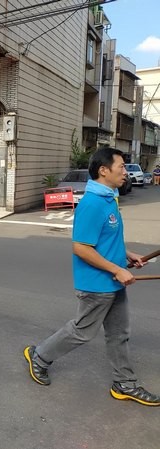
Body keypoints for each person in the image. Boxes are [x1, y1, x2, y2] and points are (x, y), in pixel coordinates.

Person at [24, 147, 160, 407]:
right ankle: (39, 356)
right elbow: (81, 248)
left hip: (113, 282)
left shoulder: (110, 198)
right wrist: (117, 269)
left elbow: (106, 241)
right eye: (121, 167)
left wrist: (128, 256)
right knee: (82, 332)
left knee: (119, 333)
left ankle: (124, 383)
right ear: (103, 170)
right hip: (97, 285)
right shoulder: (92, 203)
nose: (125, 172)